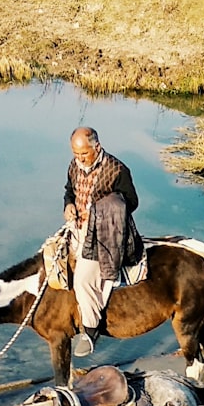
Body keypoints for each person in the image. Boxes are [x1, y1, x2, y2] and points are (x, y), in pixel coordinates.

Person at [63, 126, 144, 357]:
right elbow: (69, 190)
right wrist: (69, 205)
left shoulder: (118, 170)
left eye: (84, 154)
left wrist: (104, 209)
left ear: (96, 146)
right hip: (78, 229)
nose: (80, 159)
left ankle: (90, 330)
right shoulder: (74, 165)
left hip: (104, 235)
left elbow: (131, 202)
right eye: (75, 154)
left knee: (82, 281)